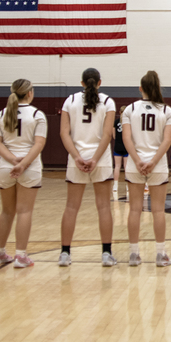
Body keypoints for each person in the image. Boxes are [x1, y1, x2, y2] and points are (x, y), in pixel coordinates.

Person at [59, 68, 117, 267]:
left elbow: (64, 133)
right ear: (100, 82)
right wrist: (95, 158)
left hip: (77, 160)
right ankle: (106, 254)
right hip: (100, 159)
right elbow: (107, 134)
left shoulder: (69, 101)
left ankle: (65, 254)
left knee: (71, 207)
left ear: (82, 82)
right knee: (103, 207)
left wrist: (76, 157)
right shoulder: (108, 102)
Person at [0, 79, 47, 269]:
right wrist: (23, 164)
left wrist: (13, 160)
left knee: (6, 211)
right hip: (29, 167)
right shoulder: (37, 115)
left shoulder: (0, 114)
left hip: (7, 167)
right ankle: (21, 256)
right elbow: (39, 144)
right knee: (25, 211)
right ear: (30, 93)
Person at [121, 70, 171, 267]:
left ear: (140, 88)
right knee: (158, 211)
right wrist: (152, 161)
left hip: (135, 165)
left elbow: (126, 138)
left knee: (134, 210)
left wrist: (137, 160)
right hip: (158, 165)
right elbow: (167, 140)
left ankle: (134, 255)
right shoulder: (166, 111)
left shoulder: (129, 109)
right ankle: (161, 255)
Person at [112, 104, 129, 197]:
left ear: (119, 112)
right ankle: (127, 186)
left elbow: (114, 136)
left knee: (117, 166)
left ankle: (115, 185)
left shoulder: (115, 122)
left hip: (117, 146)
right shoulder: (128, 123)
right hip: (126, 146)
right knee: (126, 167)